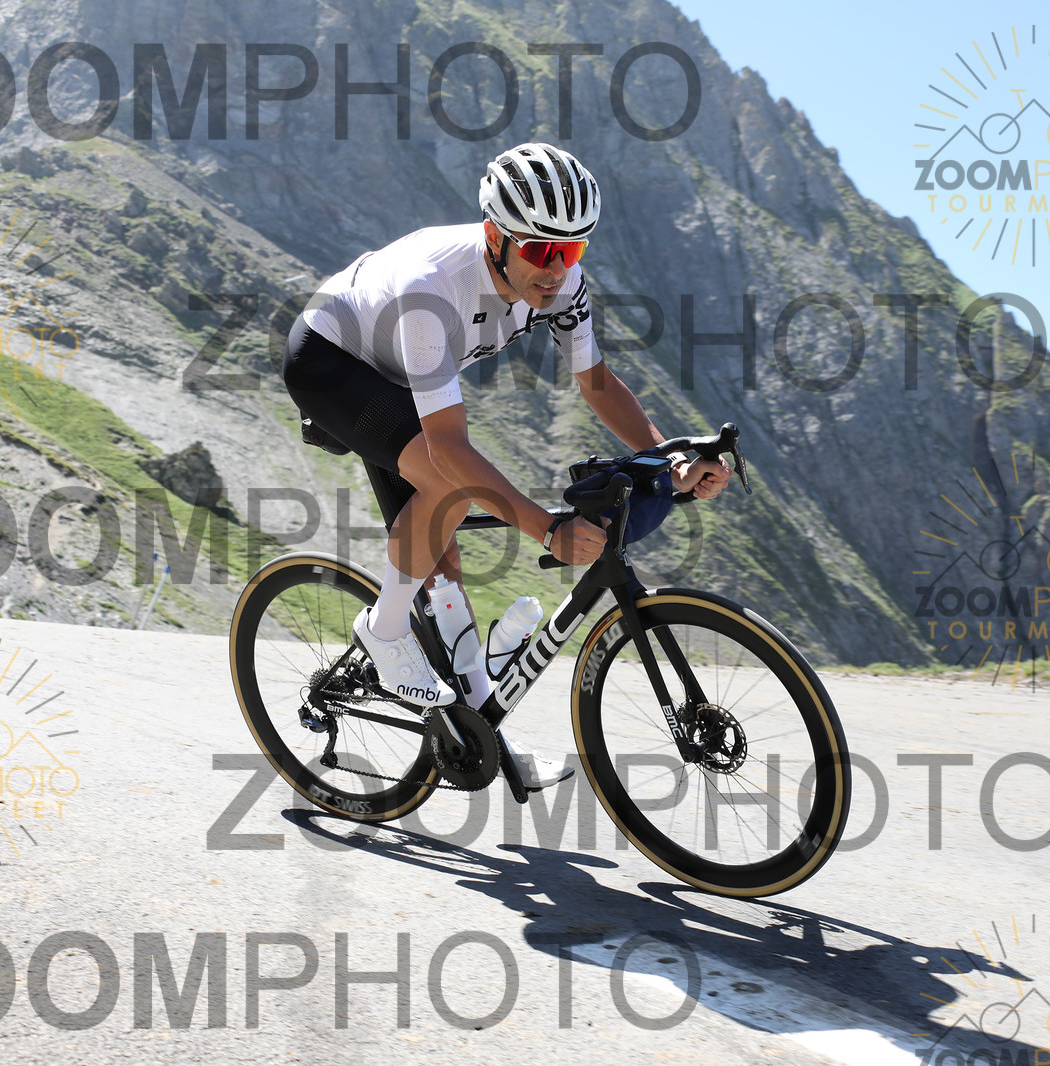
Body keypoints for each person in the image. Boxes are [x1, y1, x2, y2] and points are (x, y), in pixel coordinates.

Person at [283, 142, 730, 787]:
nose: (556, 269)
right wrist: (546, 530)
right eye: (541, 251)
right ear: (496, 237)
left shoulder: (562, 281)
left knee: (444, 572)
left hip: (401, 372)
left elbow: (597, 383)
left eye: (572, 250)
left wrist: (668, 461)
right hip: (332, 363)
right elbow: (449, 449)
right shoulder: (432, 287)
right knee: (451, 487)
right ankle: (383, 631)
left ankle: (480, 731)